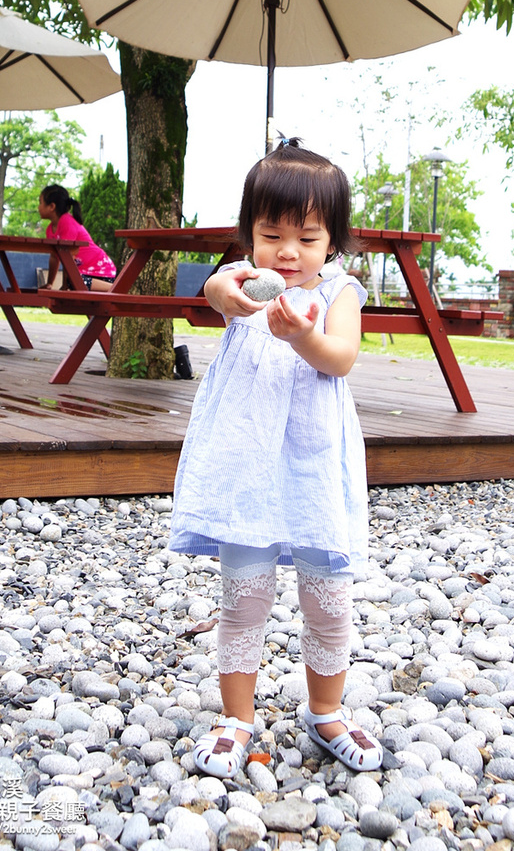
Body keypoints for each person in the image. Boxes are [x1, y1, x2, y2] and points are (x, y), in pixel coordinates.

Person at [169, 138, 382, 779]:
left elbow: (341, 358)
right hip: (247, 466)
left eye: (307, 238)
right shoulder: (243, 283)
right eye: (271, 234)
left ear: (333, 244)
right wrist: (217, 289)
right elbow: (211, 292)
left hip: (314, 465)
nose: (287, 252)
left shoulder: (340, 291)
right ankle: (236, 718)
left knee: (328, 598)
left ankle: (326, 711)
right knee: (243, 595)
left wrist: (305, 335)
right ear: (250, 236)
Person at [38, 184, 116, 291]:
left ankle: (116, 288)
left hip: (102, 274)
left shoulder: (66, 222)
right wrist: (49, 284)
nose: (38, 207)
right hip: (83, 275)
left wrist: (65, 286)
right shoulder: (50, 230)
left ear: (52, 206)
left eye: (40, 202)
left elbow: (68, 257)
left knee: (73, 281)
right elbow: (54, 258)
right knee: (73, 281)